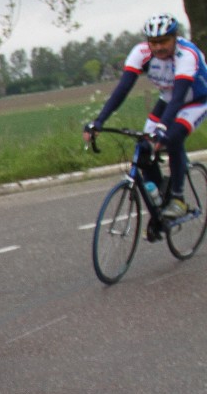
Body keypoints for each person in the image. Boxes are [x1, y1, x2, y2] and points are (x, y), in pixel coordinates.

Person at [84, 13, 207, 232]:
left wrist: (162, 129)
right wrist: (99, 121)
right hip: (167, 99)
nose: (158, 47)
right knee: (143, 147)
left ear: (175, 38)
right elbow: (122, 89)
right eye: (154, 42)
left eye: (164, 41)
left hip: (195, 101)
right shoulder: (141, 53)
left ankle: (177, 199)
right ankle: (161, 196)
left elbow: (179, 98)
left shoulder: (186, 55)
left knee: (172, 137)